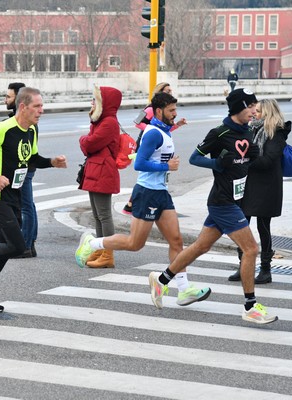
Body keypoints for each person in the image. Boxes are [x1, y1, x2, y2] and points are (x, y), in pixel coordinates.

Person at [148, 88, 278, 325]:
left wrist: (251, 157)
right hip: (223, 202)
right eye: (250, 107)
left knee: (200, 247)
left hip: (232, 199)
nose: (254, 111)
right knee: (251, 249)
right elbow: (194, 158)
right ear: (239, 108)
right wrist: (217, 163)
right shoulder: (220, 133)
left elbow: (247, 161)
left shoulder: (248, 131)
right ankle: (250, 306)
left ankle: (162, 280)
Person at [75, 92, 211, 306]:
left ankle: (184, 290)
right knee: (134, 243)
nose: (175, 114)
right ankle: (92, 243)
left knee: (176, 240)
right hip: (147, 192)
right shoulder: (153, 133)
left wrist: (166, 165)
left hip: (161, 193)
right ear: (159, 111)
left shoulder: (164, 131)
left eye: (175, 110)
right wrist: (167, 166)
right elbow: (139, 163)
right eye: (171, 111)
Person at [0, 87, 67, 312]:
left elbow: (32, 158)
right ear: (23, 107)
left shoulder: (32, 130)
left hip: (14, 196)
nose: (41, 111)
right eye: (37, 106)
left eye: (42, 106)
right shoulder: (3, 128)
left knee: (5, 247)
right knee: (17, 245)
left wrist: (51, 162)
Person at [228, 99, 290, 284]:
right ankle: (243, 266)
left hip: (267, 186)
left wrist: (244, 160)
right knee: (242, 225)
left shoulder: (277, 132)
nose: (254, 113)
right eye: (254, 110)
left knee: (264, 227)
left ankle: (265, 270)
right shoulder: (251, 129)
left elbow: (269, 160)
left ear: (268, 112)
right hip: (248, 184)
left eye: (258, 110)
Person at [122, 82, 186, 216]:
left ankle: (131, 204)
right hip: (146, 141)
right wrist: (152, 129)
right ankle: (131, 204)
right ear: (160, 92)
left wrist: (177, 125)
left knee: (175, 237)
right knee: (144, 177)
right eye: (167, 91)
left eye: (170, 91)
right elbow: (137, 122)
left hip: (159, 185)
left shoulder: (167, 112)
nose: (170, 94)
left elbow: (166, 129)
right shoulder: (150, 109)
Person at [78, 85, 122, 268]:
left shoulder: (109, 122)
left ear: (105, 103)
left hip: (103, 171)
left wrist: (82, 140)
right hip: (96, 170)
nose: (92, 102)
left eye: (95, 99)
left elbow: (90, 144)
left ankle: (107, 254)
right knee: (97, 215)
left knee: (104, 215)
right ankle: (99, 248)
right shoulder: (100, 121)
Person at [6, 82, 38, 259]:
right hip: (26, 168)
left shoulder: (24, 120)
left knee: (26, 207)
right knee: (28, 205)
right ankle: (30, 244)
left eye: (9, 96)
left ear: (19, 100)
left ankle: (25, 245)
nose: (6, 100)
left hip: (24, 168)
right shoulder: (20, 118)